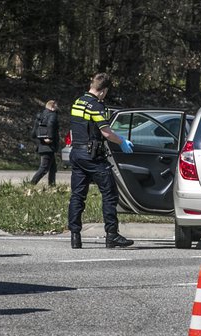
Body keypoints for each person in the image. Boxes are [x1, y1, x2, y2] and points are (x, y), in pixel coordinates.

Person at [66, 73, 133, 249]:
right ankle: (112, 235)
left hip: (77, 154)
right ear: (103, 91)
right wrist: (122, 141)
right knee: (110, 194)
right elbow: (106, 133)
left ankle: (75, 236)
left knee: (77, 196)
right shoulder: (97, 106)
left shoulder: (78, 102)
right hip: (92, 157)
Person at [28, 99, 61, 186]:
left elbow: (33, 134)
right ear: (52, 106)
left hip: (41, 145)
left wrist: (41, 139)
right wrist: (50, 137)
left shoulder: (40, 116)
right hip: (49, 146)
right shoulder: (52, 115)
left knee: (53, 168)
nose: (58, 108)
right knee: (44, 168)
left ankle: (52, 185)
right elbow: (51, 124)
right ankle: (31, 184)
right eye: (56, 106)